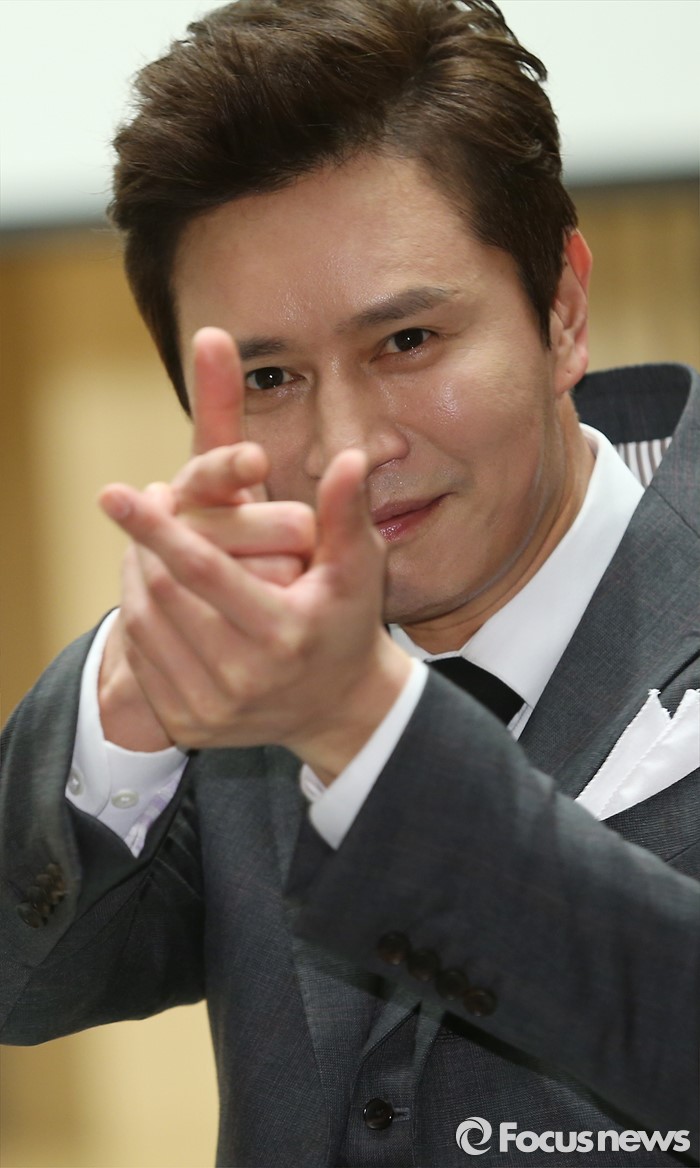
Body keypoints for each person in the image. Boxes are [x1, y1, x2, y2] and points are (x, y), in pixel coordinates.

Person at [1, 1, 698, 1165]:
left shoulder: (318, 687)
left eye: (407, 342)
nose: (347, 449)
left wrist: (360, 726)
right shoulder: (250, 672)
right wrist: (127, 704)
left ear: (562, 309)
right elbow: (24, 982)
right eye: (270, 377)